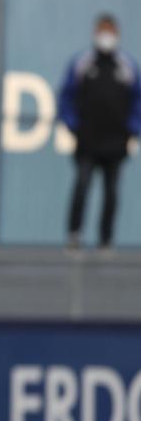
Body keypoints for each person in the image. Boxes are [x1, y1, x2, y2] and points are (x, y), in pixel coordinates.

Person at [59, 14, 141, 250]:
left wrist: (132, 129)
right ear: (95, 33)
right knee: (82, 186)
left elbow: (137, 100)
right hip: (87, 139)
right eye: (102, 30)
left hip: (116, 141)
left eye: (110, 31)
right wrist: (74, 125)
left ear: (117, 34)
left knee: (112, 192)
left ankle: (106, 239)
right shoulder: (82, 62)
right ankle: (74, 234)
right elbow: (66, 97)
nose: (106, 36)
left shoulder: (127, 65)